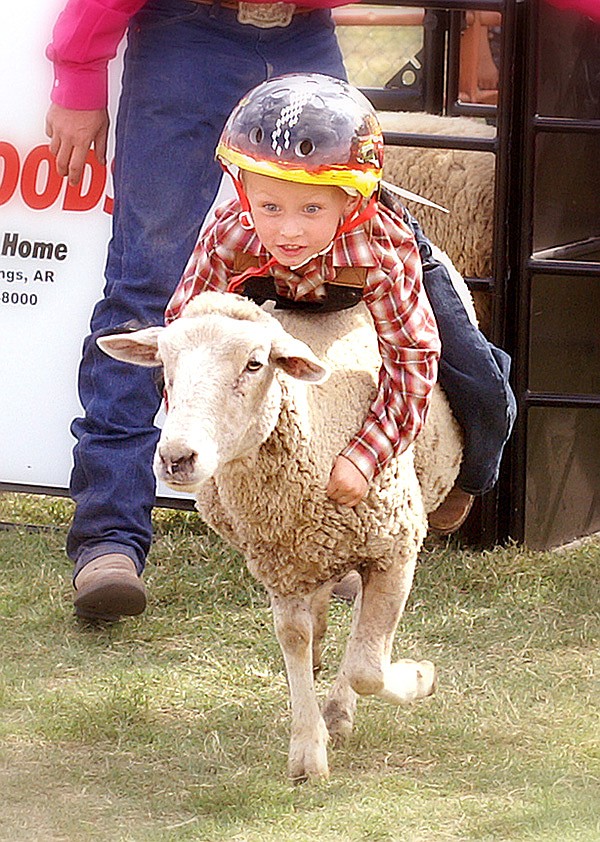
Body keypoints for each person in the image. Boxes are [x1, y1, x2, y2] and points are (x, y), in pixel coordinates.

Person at [45, 0, 354, 622]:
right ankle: (109, 538)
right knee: (145, 290)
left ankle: (326, 530)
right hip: (187, 36)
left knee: (326, 283)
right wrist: (78, 73)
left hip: (299, 36)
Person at [164, 73, 516, 547]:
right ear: (244, 194)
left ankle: (472, 479)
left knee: (480, 382)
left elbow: (410, 359)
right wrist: (197, 420)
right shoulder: (234, 234)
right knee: (175, 356)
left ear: (352, 200)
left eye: (311, 208)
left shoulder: (383, 249)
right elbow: (187, 331)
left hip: (357, 271)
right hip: (277, 286)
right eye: (269, 206)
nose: (288, 230)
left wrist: (366, 457)